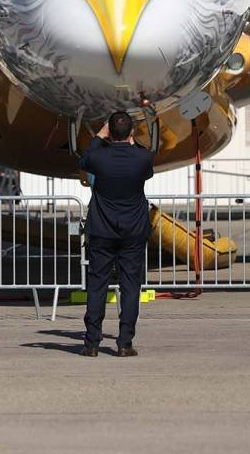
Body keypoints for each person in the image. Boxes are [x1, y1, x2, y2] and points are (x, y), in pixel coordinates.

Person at [78, 111, 154, 357]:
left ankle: (91, 343)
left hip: (102, 229)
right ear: (131, 133)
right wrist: (132, 141)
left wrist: (100, 136)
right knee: (131, 286)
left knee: (97, 285)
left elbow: (85, 158)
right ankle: (124, 342)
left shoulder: (98, 157)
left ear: (109, 132)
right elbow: (147, 167)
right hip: (132, 230)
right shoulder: (142, 158)